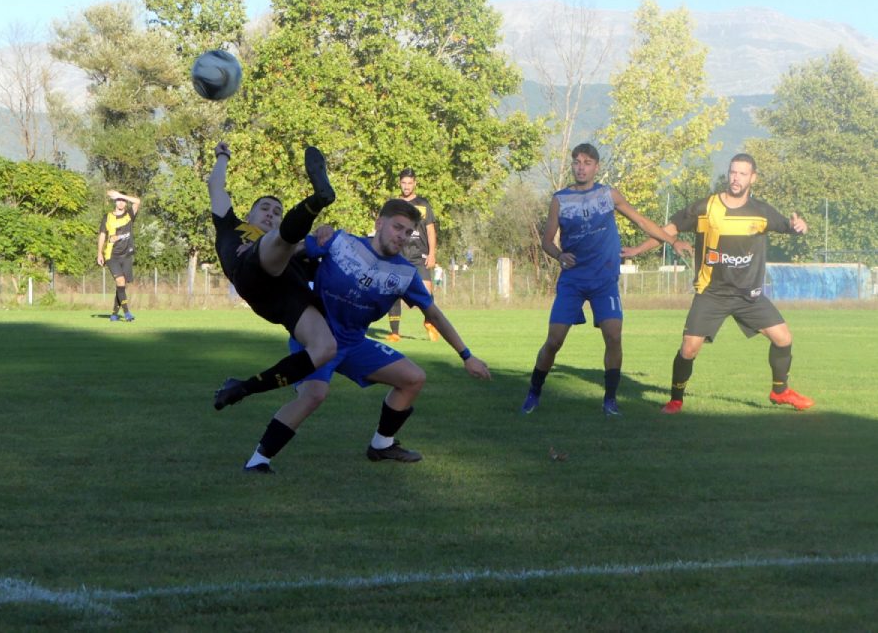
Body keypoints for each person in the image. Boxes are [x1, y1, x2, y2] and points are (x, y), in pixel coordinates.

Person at [242, 198, 491, 474]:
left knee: (413, 378)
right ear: (379, 223)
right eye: (398, 227)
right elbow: (291, 251)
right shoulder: (339, 242)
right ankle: (258, 460)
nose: (402, 236)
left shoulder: (405, 274)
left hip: (353, 344)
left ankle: (381, 446)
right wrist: (253, 257)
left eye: (408, 232)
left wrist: (467, 356)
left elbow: (434, 315)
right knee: (314, 395)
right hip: (317, 338)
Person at [623, 153, 814, 413]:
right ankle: (676, 400)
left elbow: (788, 227)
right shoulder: (706, 207)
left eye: (742, 174)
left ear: (753, 178)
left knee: (783, 338)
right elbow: (669, 230)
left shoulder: (761, 212)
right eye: (733, 172)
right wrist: (637, 250)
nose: (736, 178)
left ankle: (780, 392)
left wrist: (799, 226)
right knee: (689, 349)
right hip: (712, 293)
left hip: (749, 295)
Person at [520, 143, 692, 417]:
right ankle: (534, 393)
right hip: (573, 281)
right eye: (577, 162)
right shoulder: (560, 199)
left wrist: (672, 241)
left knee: (613, 336)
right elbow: (546, 241)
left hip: (604, 281)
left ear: (596, 167)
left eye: (587, 162)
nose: (581, 167)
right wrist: (560, 255)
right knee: (554, 341)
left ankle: (610, 400)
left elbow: (641, 221)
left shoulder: (608, 195)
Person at [207, 141, 338, 415]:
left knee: (325, 348)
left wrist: (325, 237)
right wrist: (222, 156)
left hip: (285, 297)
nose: (271, 213)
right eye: (265, 208)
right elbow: (215, 186)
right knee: (274, 244)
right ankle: (318, 200)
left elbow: (321, 258)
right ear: (250, 214)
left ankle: (242, 387)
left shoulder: (293, 248)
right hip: (251, 272)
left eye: (278, 213)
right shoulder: (231, 225)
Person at [386, 167, 439, 342]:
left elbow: (431, 231)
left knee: (427, 291)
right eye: (404, 183)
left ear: (414, 183)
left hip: (419, 255)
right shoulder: (394, 205)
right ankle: (394, 333)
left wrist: (432, 254)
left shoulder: (423, 204)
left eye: (409, 183)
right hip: (398, 254)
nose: (406, 186)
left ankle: (429, 322)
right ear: (400, 183)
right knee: (394, 291)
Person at [97, 189, 141, 322]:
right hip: (112, 255)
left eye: (123, 201)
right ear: (115, 202)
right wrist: (99, 253)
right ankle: (127, 313)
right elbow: (102, 235)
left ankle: (114, 314)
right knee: (120, 281)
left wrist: (121, 195)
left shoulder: (129, 215)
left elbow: (138, 201)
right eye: (118, 200)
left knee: (121, 286)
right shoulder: (108, 217)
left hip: (126, 255)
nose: (121, 202)